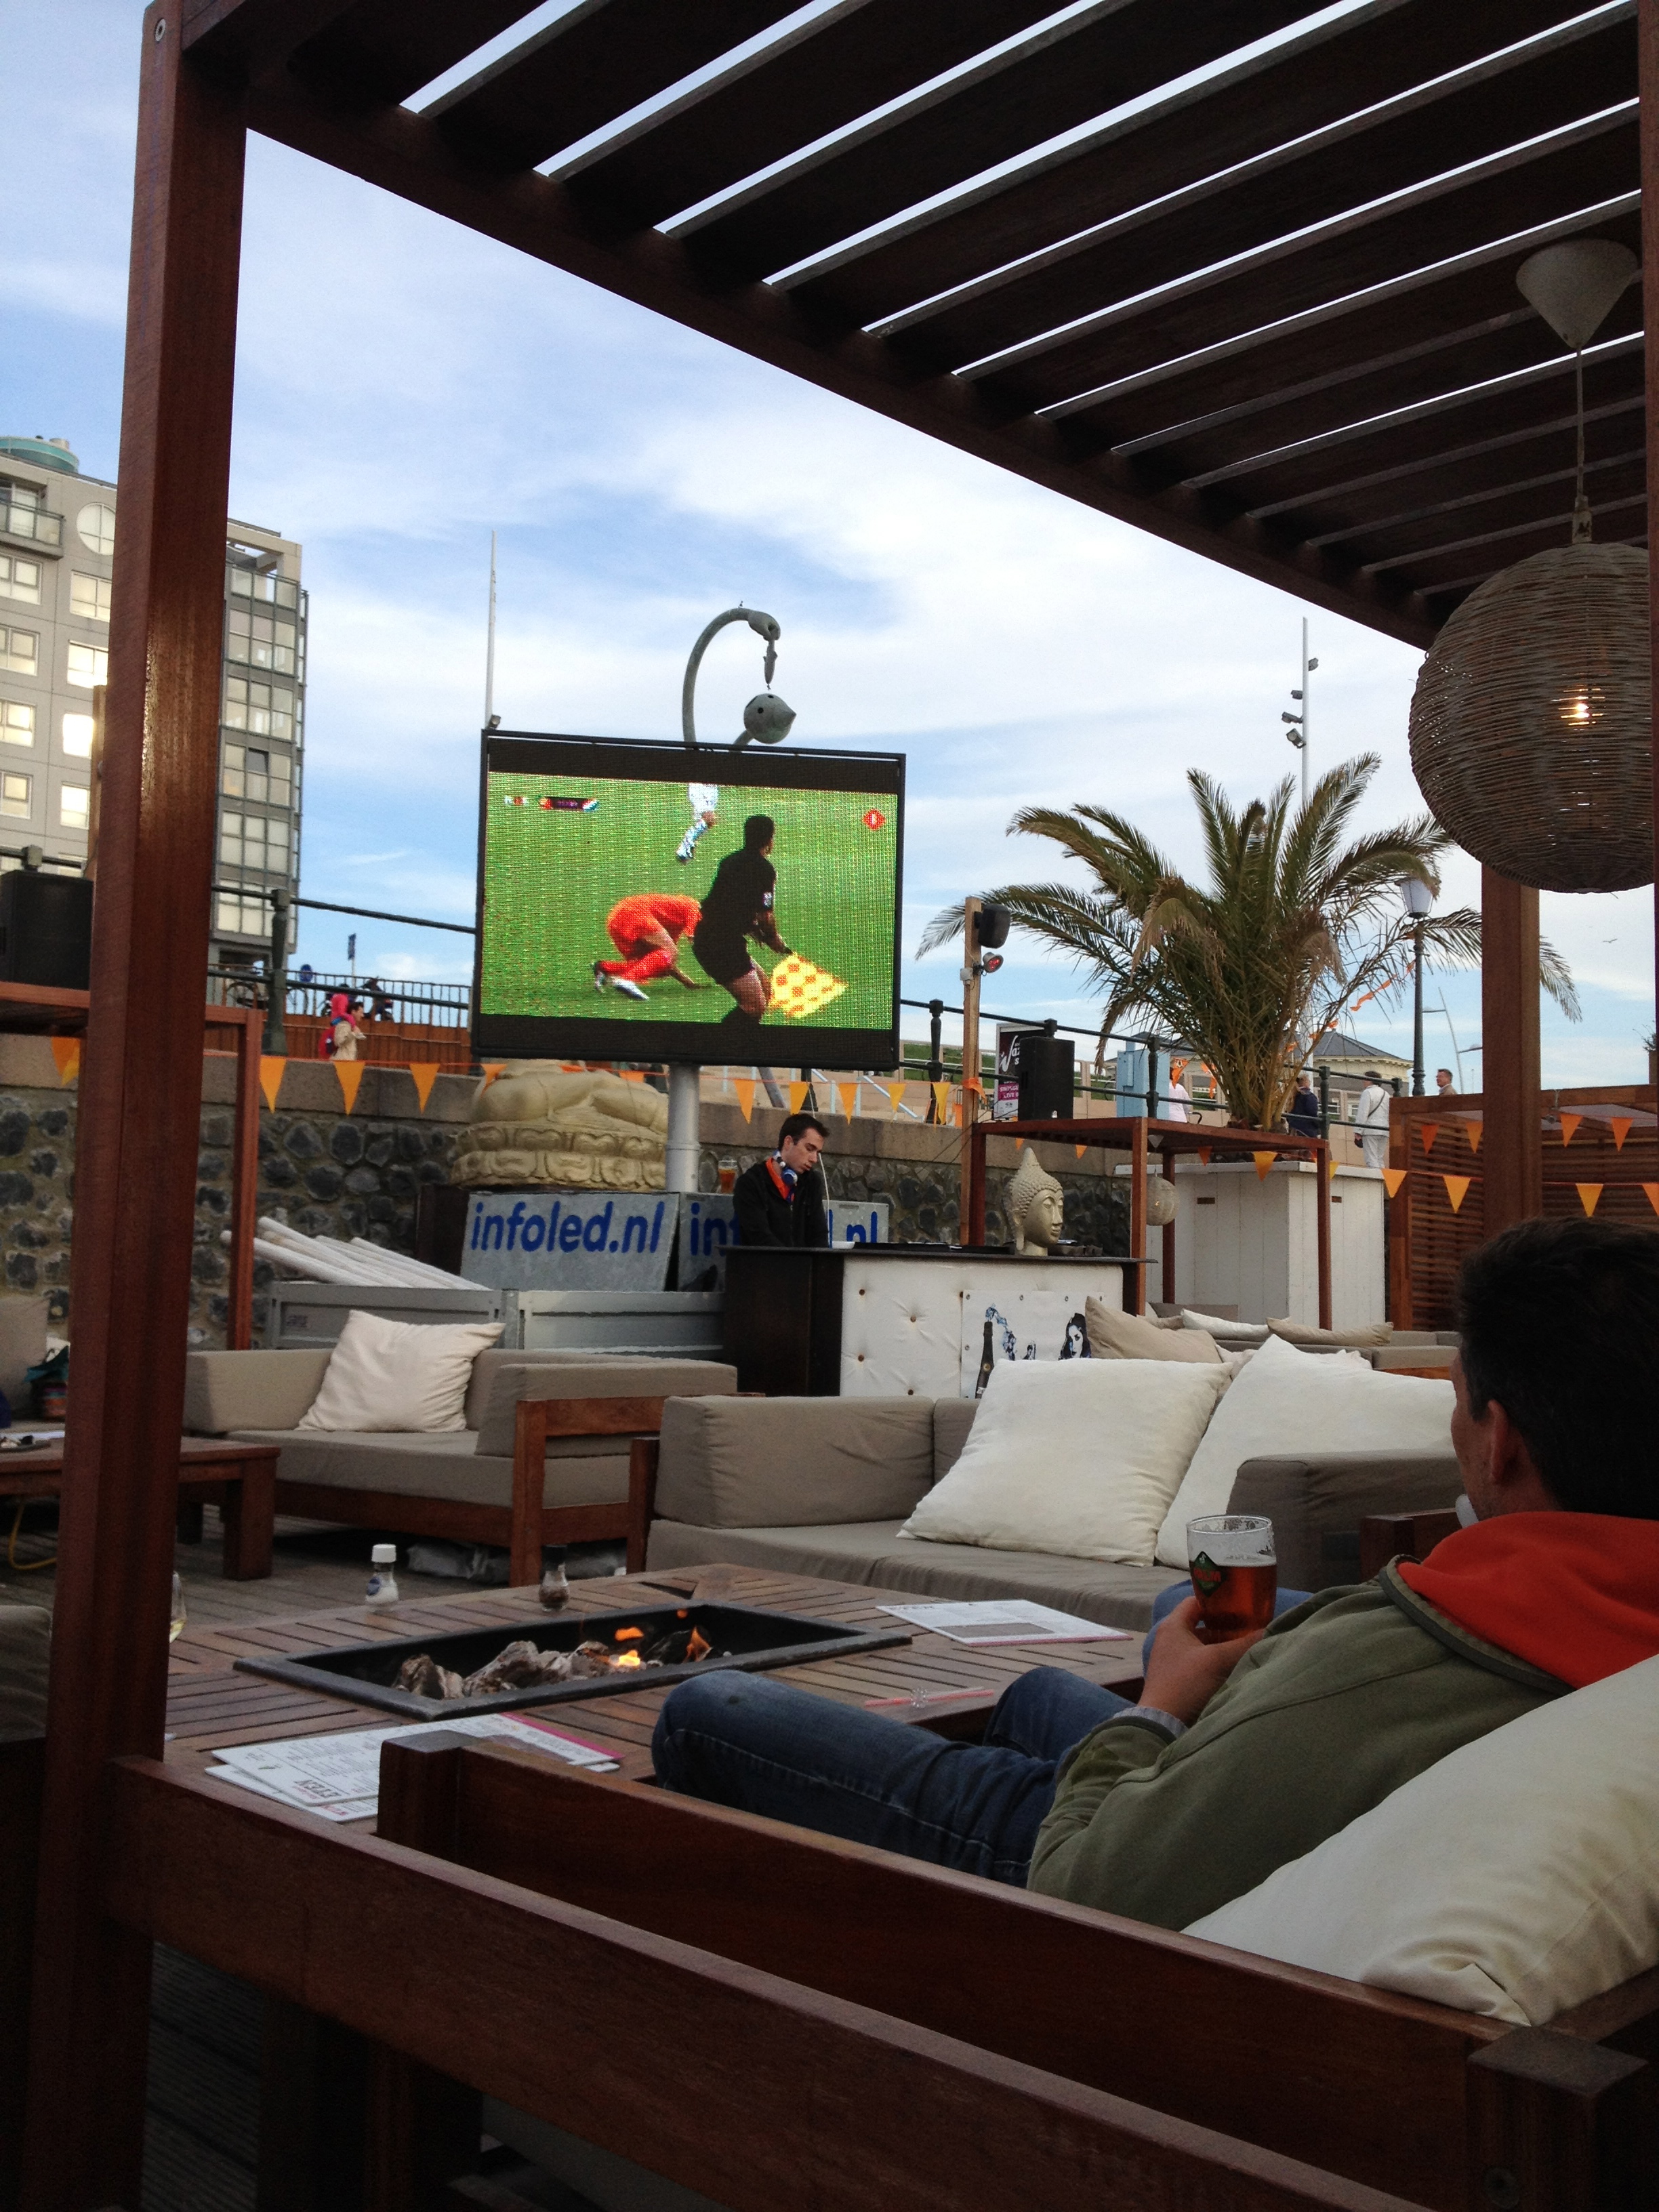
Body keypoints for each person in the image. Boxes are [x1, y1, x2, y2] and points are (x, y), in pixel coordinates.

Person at [654, 1218, 1659, 1928]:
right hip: (1245, 1808)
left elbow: (1084, 1886)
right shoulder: (1585, 1638)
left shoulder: (1391, 1664)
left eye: (1454, 1404)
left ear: (1501, 1440)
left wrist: (1161, 1708)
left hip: (1080, 1865)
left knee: (707, 1707)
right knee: (1043, 1688)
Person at [693, 815, 791, 1025]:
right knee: (754, 1006)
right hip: (720, 945)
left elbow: (727, 904)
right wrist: (773, 938)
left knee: (765, 990)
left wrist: (751, 927)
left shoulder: (730, 861)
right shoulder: (764, 870)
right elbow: (765, 916)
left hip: (713, 938)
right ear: (770, 840)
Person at [731, 1111, 829, 1248]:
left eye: (817, 1153)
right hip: (763, 1261)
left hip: (802, 1261)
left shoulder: (812, 1182)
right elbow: (760, 1238)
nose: (814, 1159)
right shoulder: (751, 1183)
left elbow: (819, 1236)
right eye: (809, 1149)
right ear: (788, 1142)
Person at [593, 892, 705, 1002]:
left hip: (616, 918)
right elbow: (695, 941)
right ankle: (627, 980)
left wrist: (688, 983)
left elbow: (667, 961)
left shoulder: (675, 919)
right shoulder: (695, 909)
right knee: (668, 955)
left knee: (656, 963)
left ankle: (605, 968)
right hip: (635, 913)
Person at [1353, 1068, 1391, 1170]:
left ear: (1370, 1080)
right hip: (1384, 1129)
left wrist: (1358, 1130)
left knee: (1371, 1158)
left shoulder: (1368, 1093)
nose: (1363, 1081)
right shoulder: (1386, 1094)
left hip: (1370, 1129)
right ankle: (1384, 1178)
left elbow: (1363, 1112)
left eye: (1365, 1079)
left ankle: (1375, 1178)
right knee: (1379, 1158)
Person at [676, 781, 719, 866]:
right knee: (709, 818)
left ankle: (686, 846)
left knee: (710, 822)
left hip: (712, 789)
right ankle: (684, 847)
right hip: (699, 787)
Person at [1285, 1071, 1320, 1137]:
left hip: (1294, 1130)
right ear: (1306, 1082)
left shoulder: (1293, 1095)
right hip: (1307, 1131)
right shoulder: (1309, 1096)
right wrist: (1319, 1125)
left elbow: (1288, 1115)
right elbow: (1312, 1114)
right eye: (1309, 1081)